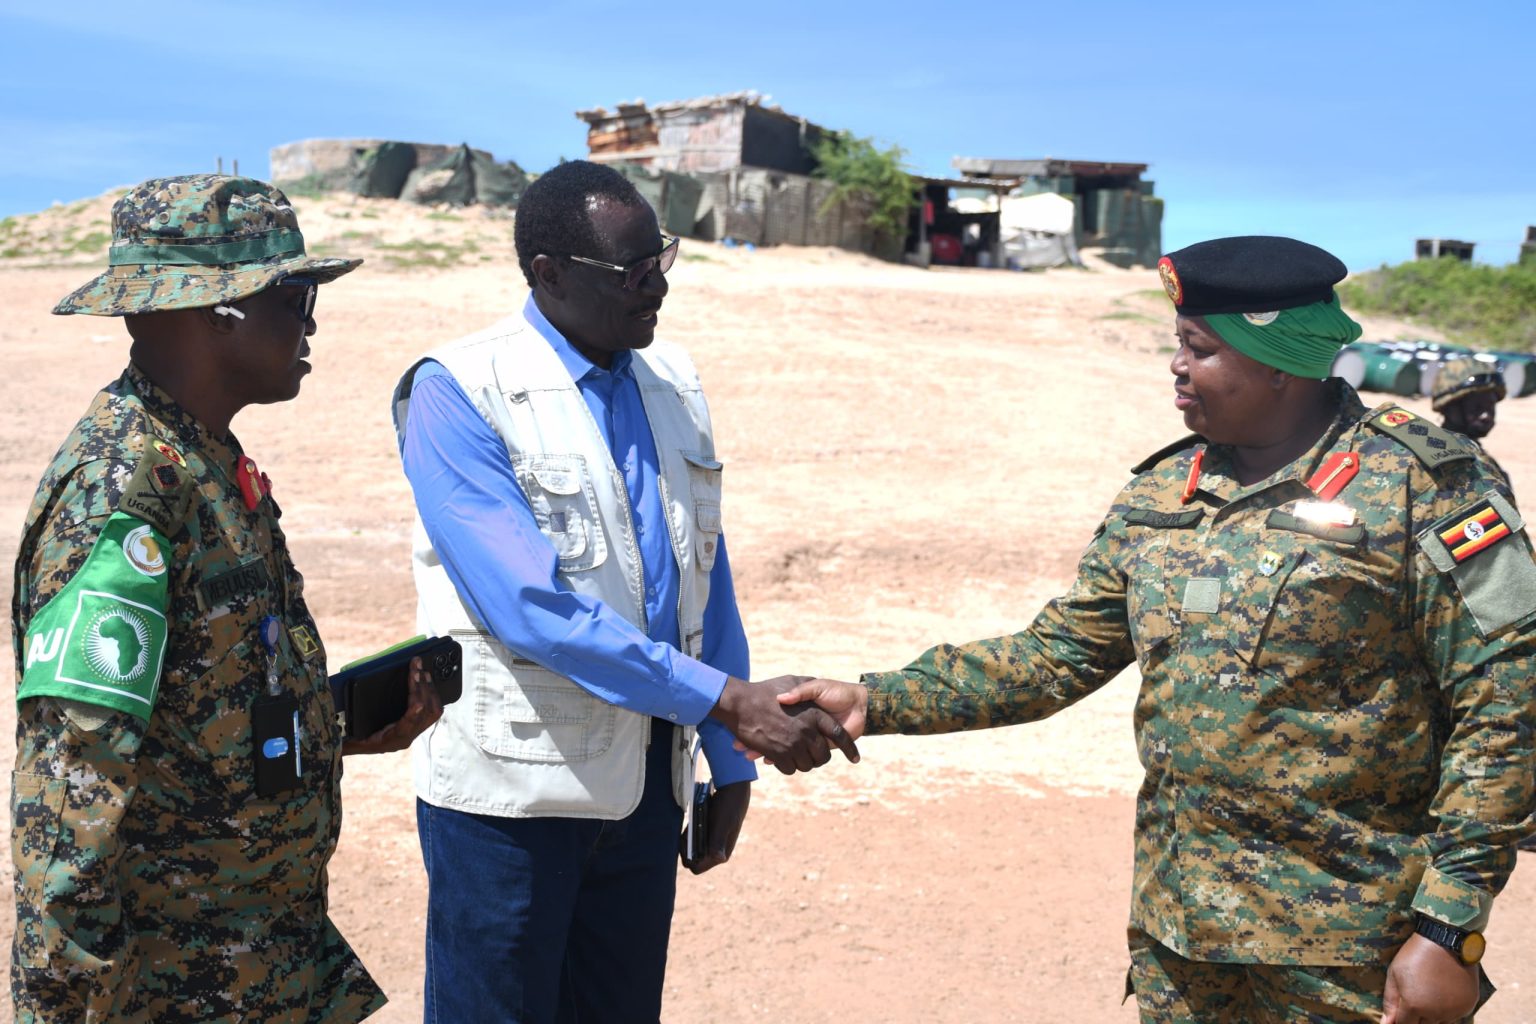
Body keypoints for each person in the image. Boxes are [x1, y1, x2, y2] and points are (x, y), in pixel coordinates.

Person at [772, 237, 1536, 1023]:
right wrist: (874, 700)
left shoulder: (1425, 482)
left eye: (1199, 348)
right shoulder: (1163, 492)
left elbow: (1507, 700)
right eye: (1178, 343)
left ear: (1275, 359)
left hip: (1352, 948)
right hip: (1180, 940)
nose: (1177, 366)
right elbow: (1055, 656)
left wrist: (1450, 926)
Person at [390, 159, 855, 1023]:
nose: (657, 290)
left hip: (646, 790)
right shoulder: (458, 392)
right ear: (548, 273)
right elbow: (532, 610)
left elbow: (702, 578)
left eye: (663, 261)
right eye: (632, 273)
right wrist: (723, 703)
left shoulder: (672, 384)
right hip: (513, 796)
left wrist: (726, 758)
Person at [11, 174, 443, 1023]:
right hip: (173, 989)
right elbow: (68, 803)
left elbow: (198, 712)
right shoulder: (124, 491)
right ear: (217, 309)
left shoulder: (199, 459)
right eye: (296, 294)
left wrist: (332, 729)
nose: (311, 321)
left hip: (256, 968)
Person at [1433, 356, 1505, 446]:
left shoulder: (1472, 452)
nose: (1486, 416)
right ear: (1449, 407)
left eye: (1490, 406)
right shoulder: (1440, 455)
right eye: (1476, 407)